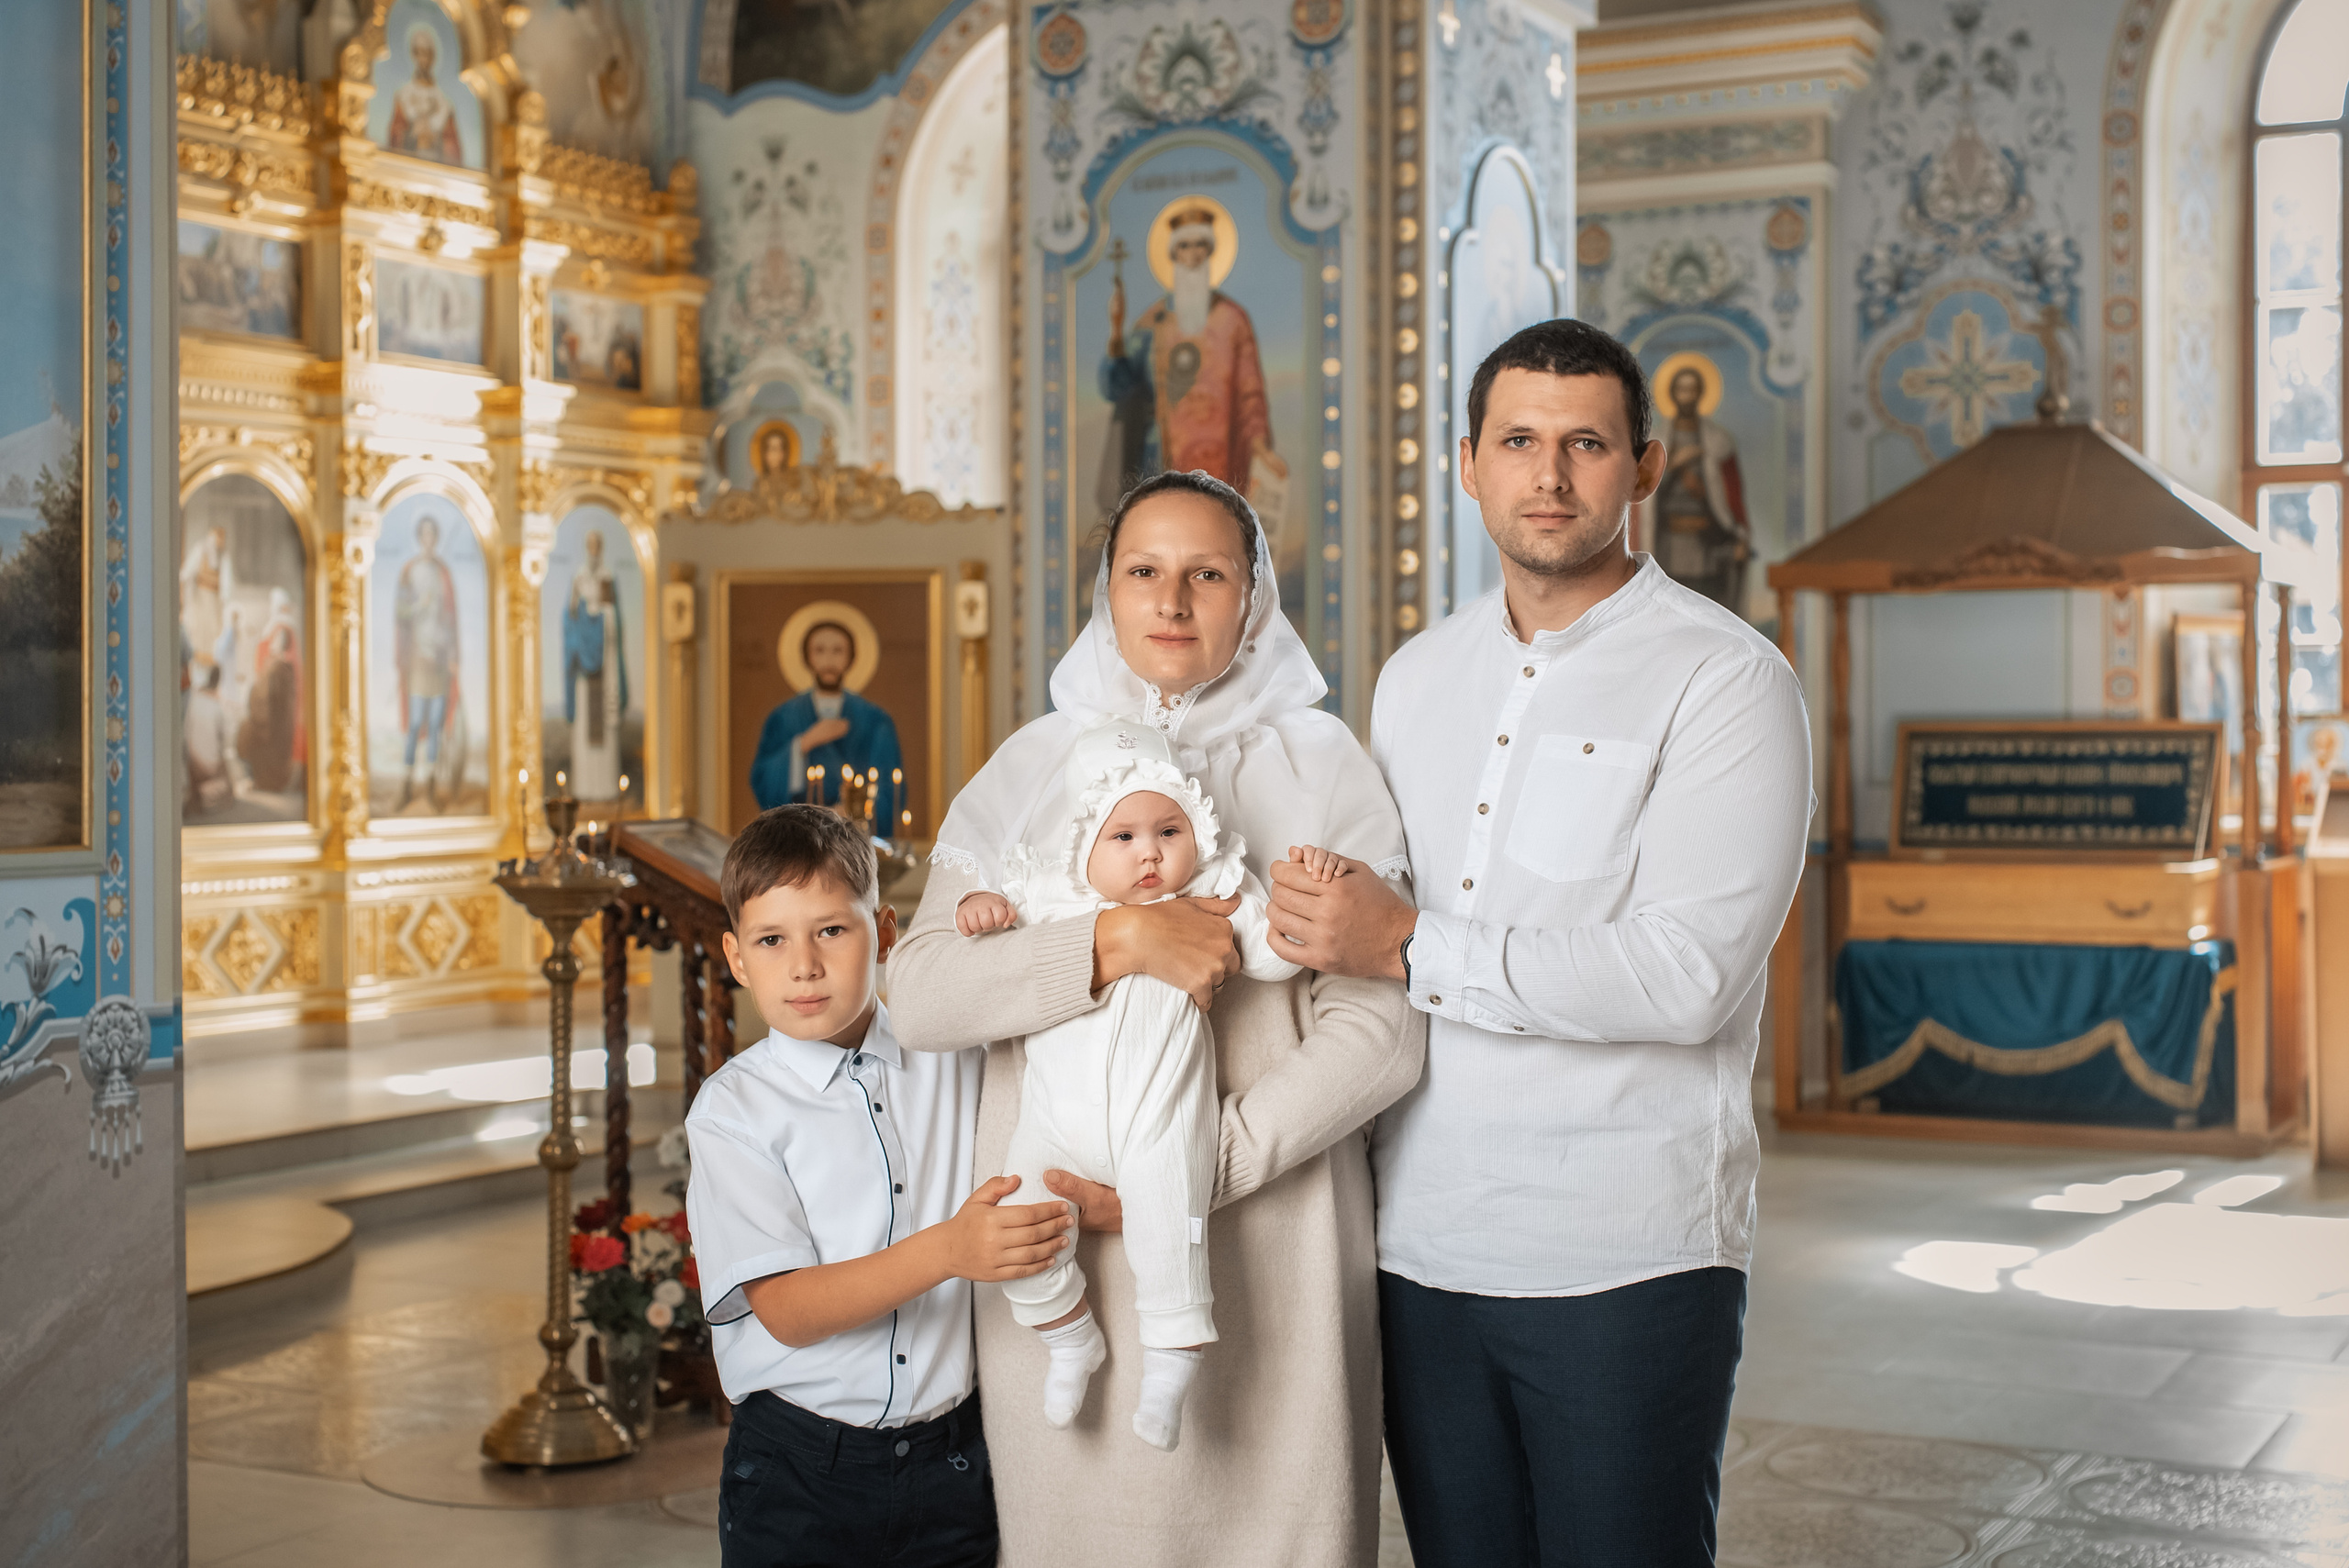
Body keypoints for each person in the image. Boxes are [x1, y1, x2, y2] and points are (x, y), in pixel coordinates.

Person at [1264, 318, 1813, 1567]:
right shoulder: (1414, 677)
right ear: (1468, 463)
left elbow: (1688, 976)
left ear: (1647, 466)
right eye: (1518, 441)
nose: (1549, 477)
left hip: (1627, 1251)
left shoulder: (1726, 680)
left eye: (1585, 445)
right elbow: (1351, 932)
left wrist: (1409, 945)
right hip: (1420, 1246)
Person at [888, 469, 1424, 1567]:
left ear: (1253, 597)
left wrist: (1178, 1171)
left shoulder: (1324, 767)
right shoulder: (1028, 768)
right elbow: (923, 994)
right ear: (1107, 591)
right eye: (1144, 570)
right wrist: (1110, 941)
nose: (1172, 600)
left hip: (1274, 1248)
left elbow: (1381, 1034)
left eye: (1206, 573)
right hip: (1061, 1244)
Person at [685, 805, 1077, 1568]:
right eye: (773, 940)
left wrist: (984, 929)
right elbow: (790, 1311)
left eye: (832, 929)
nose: (804, 965)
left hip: (952, 1459)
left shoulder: (952, 1053)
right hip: (800, 1469)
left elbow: (1024, 1001)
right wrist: (949, 1249)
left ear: (888, 933)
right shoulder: (732, 1113)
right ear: (736, 956)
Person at [954, 721, 1300, 1451]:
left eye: (1167, 829)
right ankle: (1069, 1334)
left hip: (1161, 1115)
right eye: (1125, 837)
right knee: (1021, 1224)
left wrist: (1267, 917)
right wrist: (983, 914)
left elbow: (1275, 960)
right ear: (1084, 848)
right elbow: (993, 960)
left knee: (1170, 1230)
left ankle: (1171, 1367)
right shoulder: (1054, 899)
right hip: (1054, 1125)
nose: (1150, 851)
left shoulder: (1212, 896)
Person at [1099, 206, 1286, 520]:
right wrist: (1116, 330)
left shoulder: (1233, 320)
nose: (1193, 254)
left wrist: (1260, 446)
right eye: (1184, 246)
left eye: (1201, 245)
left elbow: (1250, 391)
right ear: (1173, 254)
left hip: (1223, 458)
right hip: (1160, 461)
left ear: (1211, 250)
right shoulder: (1153, 322)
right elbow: (1119, 387)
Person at [749, 621, 905, 824]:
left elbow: (888, 790)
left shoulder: (875, 720)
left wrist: (851, 810)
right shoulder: (784, 717)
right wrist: (803, 744)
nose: (828, 660)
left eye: (838, 651)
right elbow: (763, 780)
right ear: (807, 657)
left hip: (854, 835)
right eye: (819, 650)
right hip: (801, 833)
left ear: (851, 657)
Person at [1649, 363, 1753, 611]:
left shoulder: (1719, 442)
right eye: (1681, 390)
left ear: (1701, 394)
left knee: (1710, 611)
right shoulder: (1656, 441)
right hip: (1669, 545)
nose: (1687, 396)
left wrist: (1740, 536)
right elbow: (1643, 494)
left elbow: (1732, 496)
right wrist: (1673, 466)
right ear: (1672, 394)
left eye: (1692, 390)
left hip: (1708, 544)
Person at [394, 513, 462, 813]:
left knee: (435, 724)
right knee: (415, 723)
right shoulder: (410, 572)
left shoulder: (443, 573)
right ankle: (407, 784)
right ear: (419, 537)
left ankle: (432, 785)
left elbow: (451, 618)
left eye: (433, 535)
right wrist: (417, 607)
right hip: (418, 657)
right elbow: (401, 614)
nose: (429, 540)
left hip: (439, 658)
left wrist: (453, 655)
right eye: (425, 534)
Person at [562, 529, 627, 802]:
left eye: (597, 545)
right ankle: (586, 787)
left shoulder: (607, 577)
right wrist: (584, 617)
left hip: (605, 667)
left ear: (601, 548)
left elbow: (615, 619)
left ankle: (605, 788)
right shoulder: (579, 578)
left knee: (604, 729)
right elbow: (570, 618)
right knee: (585, 727)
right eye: (589, 545)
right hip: (584, 674)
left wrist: (599, 614)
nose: (593, 549)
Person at [239, 587, 305, 795]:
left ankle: (269, 781)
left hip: (275, 705)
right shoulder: (278, 628)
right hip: (272, 702)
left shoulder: (283, 628)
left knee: (263, 738)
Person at [385, 24, 464, 166]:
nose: (424, 60)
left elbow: (454, 150)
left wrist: (436, 139)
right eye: (420, 53)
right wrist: (413, 135)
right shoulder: (403, 96)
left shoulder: (444, 104)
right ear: (414, 55)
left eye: (427, 54)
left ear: (433, 57)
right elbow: (395, 139)